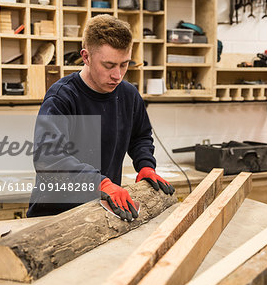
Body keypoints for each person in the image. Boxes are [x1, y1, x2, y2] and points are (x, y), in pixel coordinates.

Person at [27, 14, 174, 220]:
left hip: (101, 211)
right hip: (54, 214)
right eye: (108, 65)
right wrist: (102, 183)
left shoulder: (129, 95)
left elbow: (140, 136)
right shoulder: (62, 97)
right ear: (86, 57)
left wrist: (146, 165)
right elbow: (49, 159)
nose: (118, 75)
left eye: (124, 64)